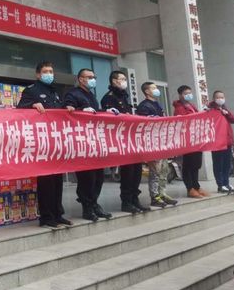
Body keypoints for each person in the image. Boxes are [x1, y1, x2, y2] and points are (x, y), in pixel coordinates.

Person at [17, 61, 72, 228]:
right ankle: (47, 217)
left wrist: (68, 108)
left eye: (51, 71)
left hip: (56, 140)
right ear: (38, 74)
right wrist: (32, 105)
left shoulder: (55, 92)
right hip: (42, 141)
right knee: (46, 181)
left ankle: (58, 214)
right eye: (46, 71)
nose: (49, 74)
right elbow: (19, 110)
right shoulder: (31, 90)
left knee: (57, 180)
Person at [63, 68, 112, 222]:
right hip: (81, 141)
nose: (93, 79)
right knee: (87, 177)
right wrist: (81, 110)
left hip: (94, 140)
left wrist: (106, 111)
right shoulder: (72, 94)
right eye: (89, 77)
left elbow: (95, 113)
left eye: (94, 77)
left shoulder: (91, 95)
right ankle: (87, 207)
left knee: (98, 176)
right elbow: (67, 111)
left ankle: (94, 203)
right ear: (81, 79)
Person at [102, 71, 150, 214]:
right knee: (128, 173)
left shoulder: (124, 96)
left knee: (137, 171)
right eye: (121, 79)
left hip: (132, 139)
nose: (124, 81)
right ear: (114, 81)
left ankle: (135, 199)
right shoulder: (109, 98)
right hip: (121, 140)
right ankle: (126, 202)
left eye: (124, 79)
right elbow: (109, 119)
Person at [137, 82, 178, 208]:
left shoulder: (157, 104)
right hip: (152, 142)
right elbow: (142, 124)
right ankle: (154, 196)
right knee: (155, 170)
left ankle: (162, 193)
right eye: (153, 88)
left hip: (162, 141)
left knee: (164, 169)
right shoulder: (144, 106)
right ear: (147, 91)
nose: (156, 90)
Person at [173, 85, 209, 198]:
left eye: (189, 93)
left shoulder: (192, 105)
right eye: (185, 93)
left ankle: (196, 186)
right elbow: (182, 123)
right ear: (180, 95)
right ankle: (190, 188)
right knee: (188, 164)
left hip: (196, 138)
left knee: (196, 164)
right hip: (187, 139)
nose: (188, 95)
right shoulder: (179, 108)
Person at [208, 90, 234, 193]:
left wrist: (227, 113)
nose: (220, 99)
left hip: (227, 141)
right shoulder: (210, 110)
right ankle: (220, 185)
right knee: (218, 164)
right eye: (218, 97)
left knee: (227, 164)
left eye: (222, 97)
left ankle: (226, 183)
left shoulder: (224, 109)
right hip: (217, 142)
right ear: (214, 99)